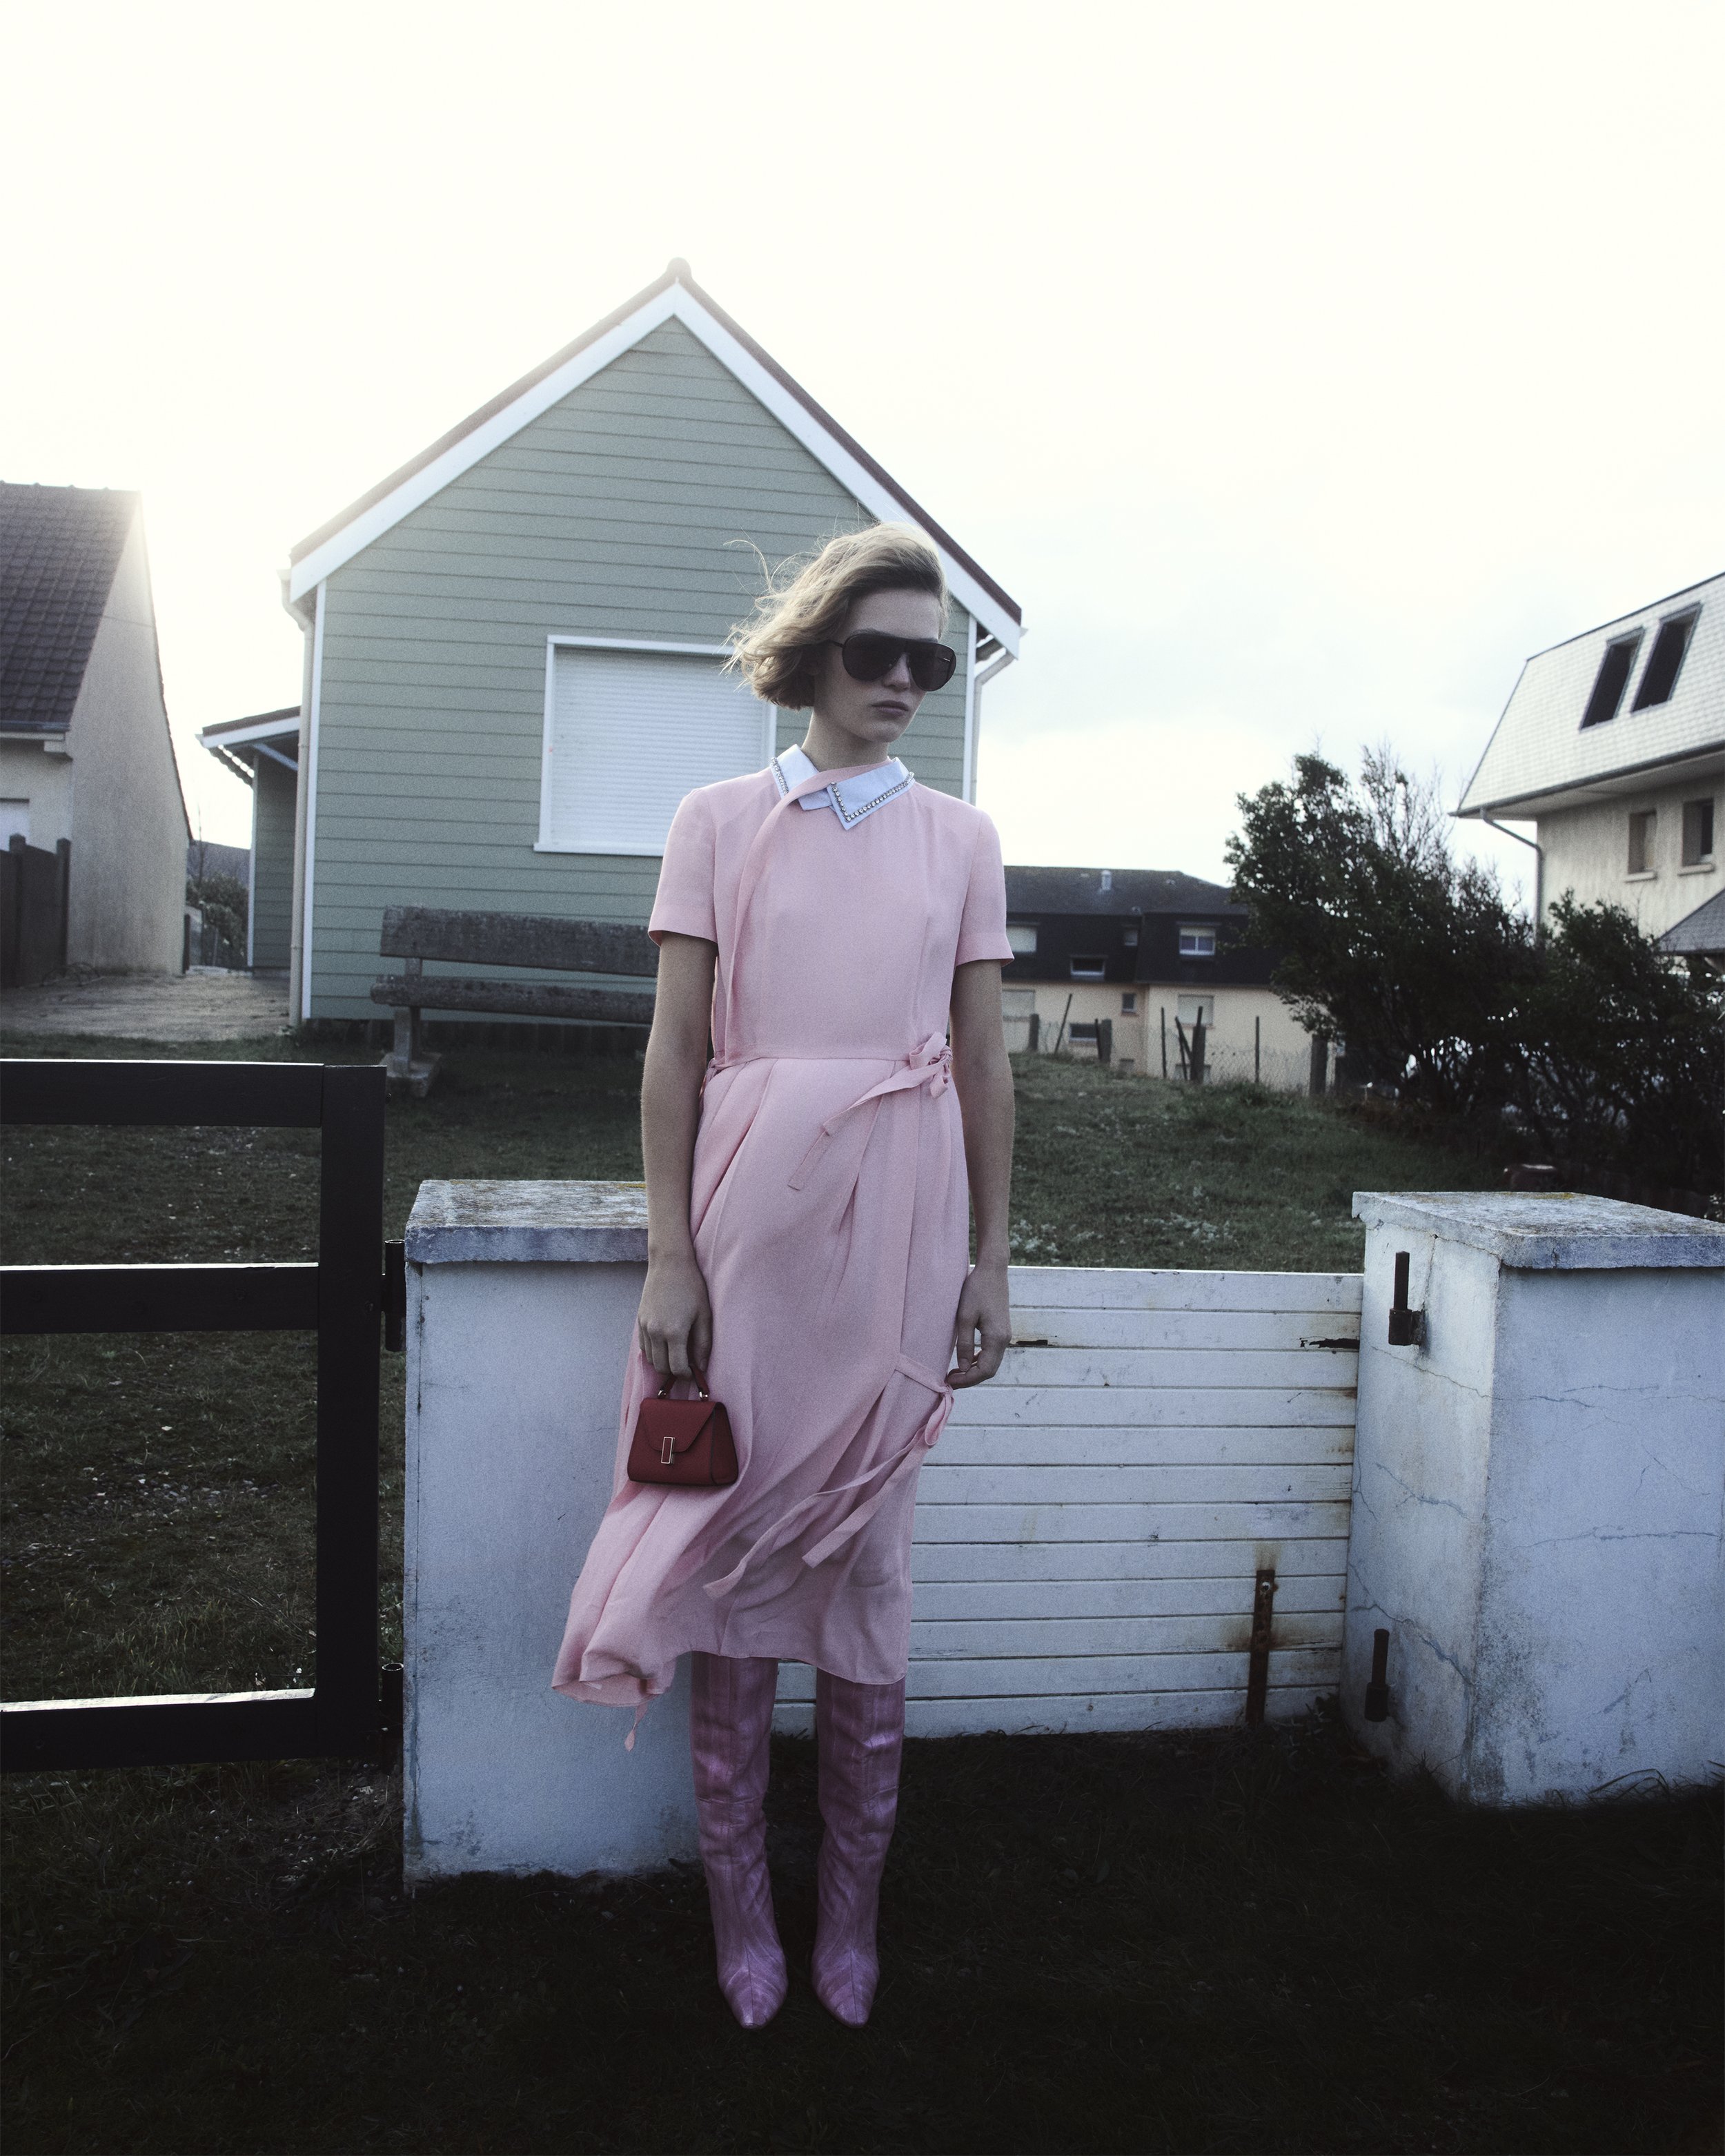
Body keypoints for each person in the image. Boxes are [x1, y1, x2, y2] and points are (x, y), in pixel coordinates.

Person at [552, 523, 1015, 2030]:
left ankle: (851, 1915)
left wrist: (989, 1257)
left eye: (928, 662)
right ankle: (739, 1907)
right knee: (730, 1552)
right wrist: (668, 1256)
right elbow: (673, 1052)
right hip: (748, 1222)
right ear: (812, 652)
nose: (901, 681)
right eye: (874, 652)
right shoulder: (714, 818)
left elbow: (990, 1063)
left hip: (899, 1217)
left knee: (867, 1569)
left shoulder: (962, 839)